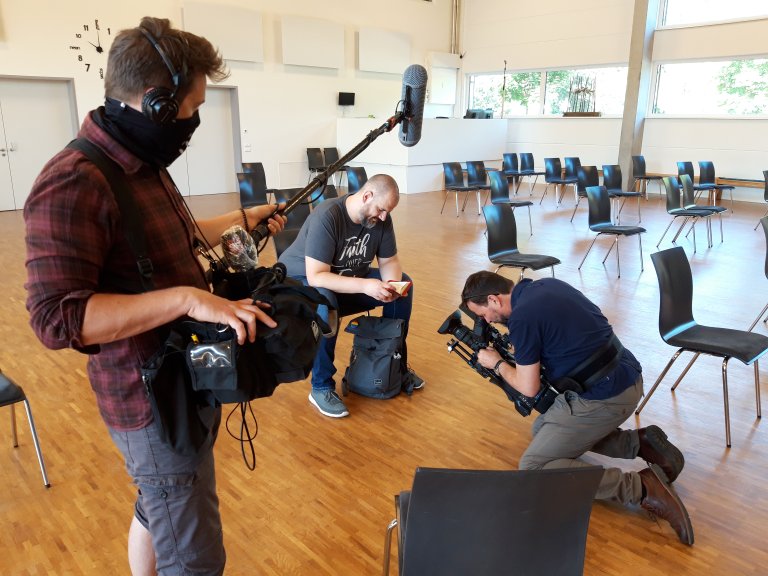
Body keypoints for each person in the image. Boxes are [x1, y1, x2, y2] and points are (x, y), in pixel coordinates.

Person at [24, 17, 286, 576]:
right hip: (149, 405)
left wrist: (244, 219)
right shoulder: (74, 181)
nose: (193, 121)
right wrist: (188, 299)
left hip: (183, 383)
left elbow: (177, 235)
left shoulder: (142, 165)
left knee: (157, 505)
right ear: (158, 103)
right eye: (191, 107)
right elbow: (54, 319)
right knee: (193, 557)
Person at [460, 271, 694, 546]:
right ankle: (639, 443)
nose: (486, 321)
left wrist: (497, 363)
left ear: (494, 299)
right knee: (542, 427)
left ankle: (643, 489)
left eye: (484, 313)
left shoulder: (522, 319)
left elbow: (529, 388)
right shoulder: (546, 285)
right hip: (627, 374)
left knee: (533, 466)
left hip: (606, 396)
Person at [279, 175, 423, 418]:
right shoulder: (329, 216)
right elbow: (317, 277)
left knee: (403, 287)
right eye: (381, 209)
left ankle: (392, 365)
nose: (384, 216)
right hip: (299, 286)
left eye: (388, 212)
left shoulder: (381, 220)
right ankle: (321, 386)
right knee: (326, 301)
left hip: (346, 282)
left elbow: (390, 261)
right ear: (367, 196)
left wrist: (390, 286)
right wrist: (366, 286)